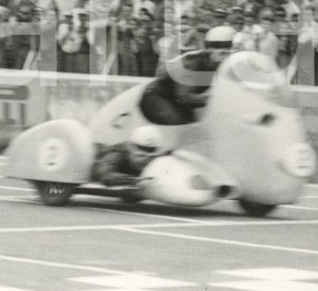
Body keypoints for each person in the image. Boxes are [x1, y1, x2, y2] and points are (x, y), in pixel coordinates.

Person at [92, 27, 235, 187]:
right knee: (182, 128)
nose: (224, 55)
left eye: (227, 50)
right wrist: (210, 97)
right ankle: (166, 172)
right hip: (157, 97)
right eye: (220, 50)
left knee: (200, 134)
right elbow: (185, 98)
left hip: (177, 100)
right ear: (208, 48)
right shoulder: (192, 65)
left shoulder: (225, 66)